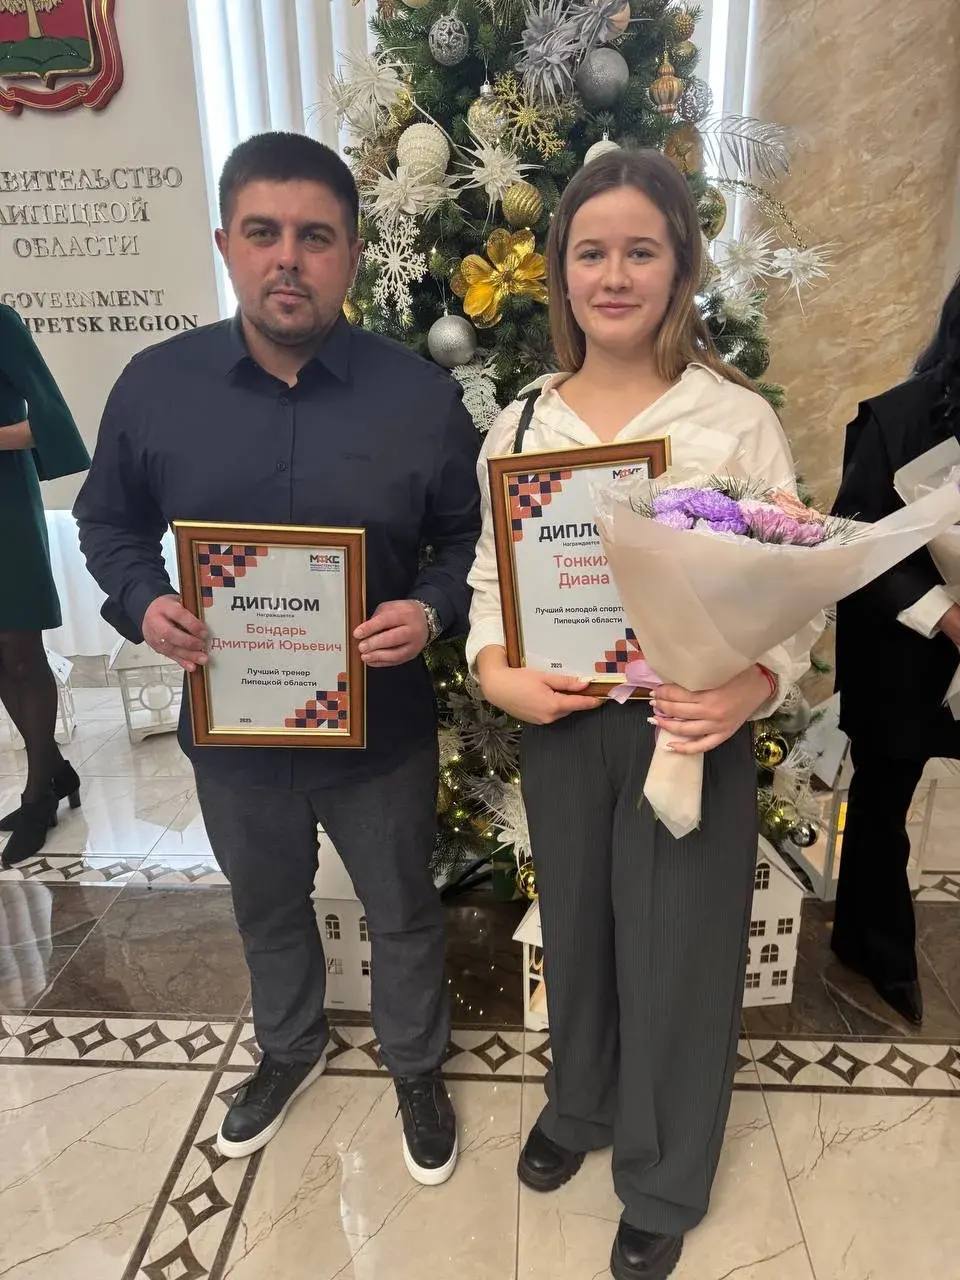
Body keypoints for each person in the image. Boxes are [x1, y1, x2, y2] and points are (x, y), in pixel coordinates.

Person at [74, 132, 481, 1183]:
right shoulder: (156, 387)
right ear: (226, 244)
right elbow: (107, 522)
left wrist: (430, 608)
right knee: (265, 905)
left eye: (315, 236)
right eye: (263, 233)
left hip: (379, 727)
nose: (287, 259)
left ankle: (416, 1065)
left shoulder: (419, 398)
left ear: (351, 255)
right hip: (236, 725)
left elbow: (465, 542)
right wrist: (144, 602)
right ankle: (290, 1048)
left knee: (402, 908)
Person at [467, 150, 815, 1280]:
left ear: (680, 269)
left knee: (679, 949)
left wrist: (750, 688)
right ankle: (582, 1100)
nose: (613, 276)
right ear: (560, 270)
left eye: (640, 252)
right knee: (577, 926)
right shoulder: (522, 425)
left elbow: (794, 596)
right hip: (564, 724)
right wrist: (496, 673)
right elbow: (491, 583)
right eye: (590, 252)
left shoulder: (733, 420)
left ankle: (663, 1174)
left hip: (686, 727)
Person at [830, 274, 960, 1027]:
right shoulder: (899, 419)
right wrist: (948, 616)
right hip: (904, 650)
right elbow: (857, 534)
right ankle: (873, 949)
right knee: (883, 802)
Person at [0, 305, 89, 868]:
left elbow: (52, 423)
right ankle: (55, 770)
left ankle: (39, 796)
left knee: (20, 650)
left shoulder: (1, 323)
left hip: (5, 505)